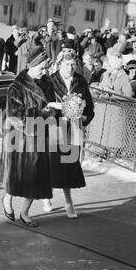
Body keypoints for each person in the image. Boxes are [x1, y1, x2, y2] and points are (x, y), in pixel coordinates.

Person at [0, 47, 55, 227]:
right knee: (18, 178)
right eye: (42, 68)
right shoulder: (16, 87)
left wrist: (53, 112)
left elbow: (51, 106)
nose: (44, 72)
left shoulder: (46, 83)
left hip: (40, 136)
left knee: (37, 179)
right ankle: (7, 199)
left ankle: (25, 212)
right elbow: (15, 116)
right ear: (32, 65)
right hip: (20, 140)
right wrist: (42, 113)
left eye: (46, 68)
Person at [44, 48, 95, 218]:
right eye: (67, 64)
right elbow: (44, 105)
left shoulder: (80, 81)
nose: (70, 67)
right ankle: (46, 196)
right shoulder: (50, 81)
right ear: (59, 64)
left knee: (70, 165)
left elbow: (89, 106)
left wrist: (84, 116)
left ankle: (68, 202)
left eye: (73, 64)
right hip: (55, 128)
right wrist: (54, 110)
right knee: (52, 165)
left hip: (73, 129)